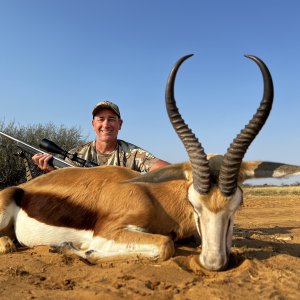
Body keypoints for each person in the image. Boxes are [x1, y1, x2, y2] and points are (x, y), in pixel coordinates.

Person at [32, 100, 169, 172]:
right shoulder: (76, 155)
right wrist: (51, 171)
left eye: (111, 119)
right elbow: (66, 184)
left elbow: (166, 170)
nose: (106, 124)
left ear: (120, 124)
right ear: (93, 124)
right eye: (101, 119)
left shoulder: (133, 153)